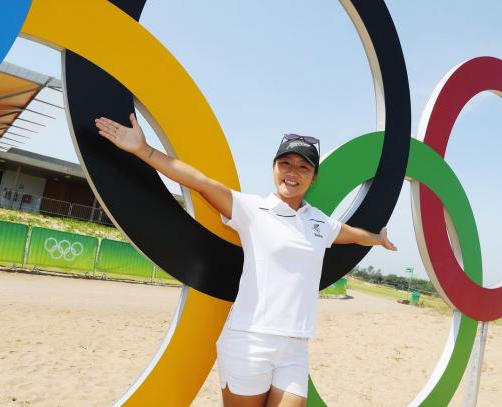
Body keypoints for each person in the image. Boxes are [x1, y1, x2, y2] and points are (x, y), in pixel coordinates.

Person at [95, 114, 397, 407]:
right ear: (274, 168)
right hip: (250, 341)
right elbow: (200, 182)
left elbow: (349, 233)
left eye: (303, 167)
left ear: (313, 177)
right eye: (285, 164)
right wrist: (144, 150)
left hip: (296, 347)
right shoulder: (252, 210)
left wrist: (376, 238)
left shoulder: (319, 222)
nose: (293, 172)